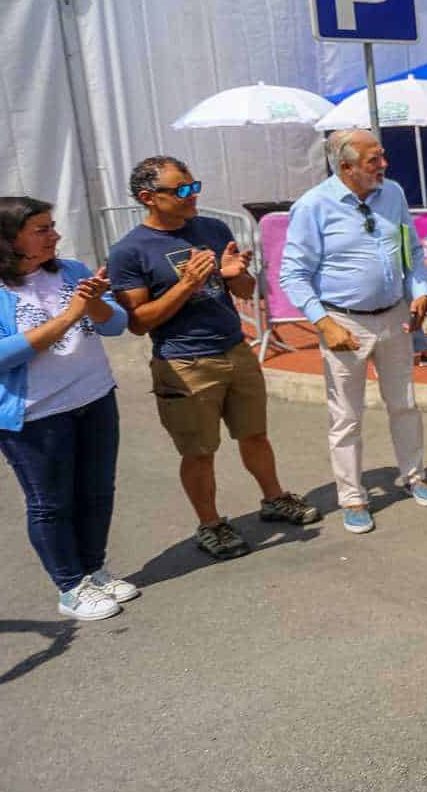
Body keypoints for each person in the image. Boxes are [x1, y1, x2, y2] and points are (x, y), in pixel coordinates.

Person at [110, 157, 317, 561]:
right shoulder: (129, 251)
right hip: (184, 363)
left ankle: (274, 499)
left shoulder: (211, 229)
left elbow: (241, 288)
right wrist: (188, 283)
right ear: (148, 198)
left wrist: (235, 273)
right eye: (181, 190)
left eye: (194, 185)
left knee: (255, 435)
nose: (193, 196)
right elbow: (138, 322)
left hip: (235, 350)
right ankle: (210, 524)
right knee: (199, 452)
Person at [280, 130, 427, 535]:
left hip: (395, 316)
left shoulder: (394, 194)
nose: (384, 165)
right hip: (343, 322)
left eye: (382, 156)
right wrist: (323, 322)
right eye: (374, 160)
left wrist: (419, 291)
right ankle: (353, 497)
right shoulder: (313, 206)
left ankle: (414, 475)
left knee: (404, 403)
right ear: (346, 167)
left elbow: (412, 251)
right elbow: (293, 275)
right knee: (347, 417)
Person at [0, 197, 136, 620]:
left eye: (52, 226)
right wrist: (72, 313)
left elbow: (115, 325)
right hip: (36, 415)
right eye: (41, 229)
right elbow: (0, 356)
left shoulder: (71, 271)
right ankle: (70, 587)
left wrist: (93, 303)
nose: (54, 235)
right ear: (7, 238)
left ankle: (94, 570)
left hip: (93, 398)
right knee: (50, 503)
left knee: (96, 492)